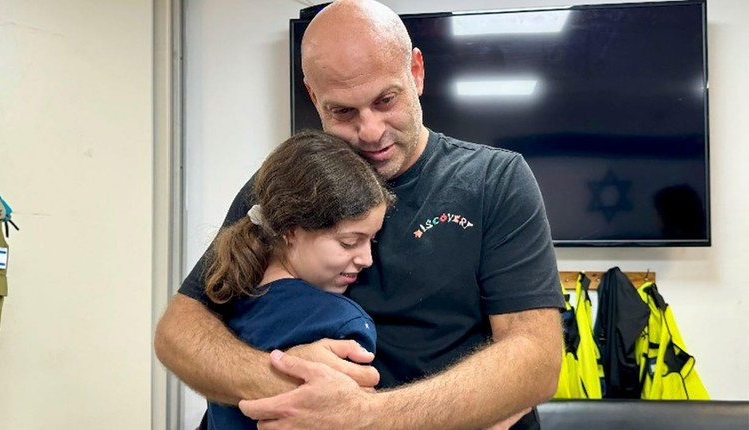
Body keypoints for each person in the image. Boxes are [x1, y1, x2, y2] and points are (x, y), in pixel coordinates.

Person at [154, 0, 565, 428]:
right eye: (343, 111)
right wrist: (283, 381)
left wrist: (364, 417)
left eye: (386, 100)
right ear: (314, 97)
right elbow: (179, 332)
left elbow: (535, 360)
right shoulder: (291, 178)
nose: (370, 131)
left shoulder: (493, 179)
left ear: (417, 73)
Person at [200, 130, 394, 429]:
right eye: (349, 242)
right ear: (292, 231)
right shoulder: (342, 323)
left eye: (372, 240)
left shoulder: (226, 301)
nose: (367, 259)